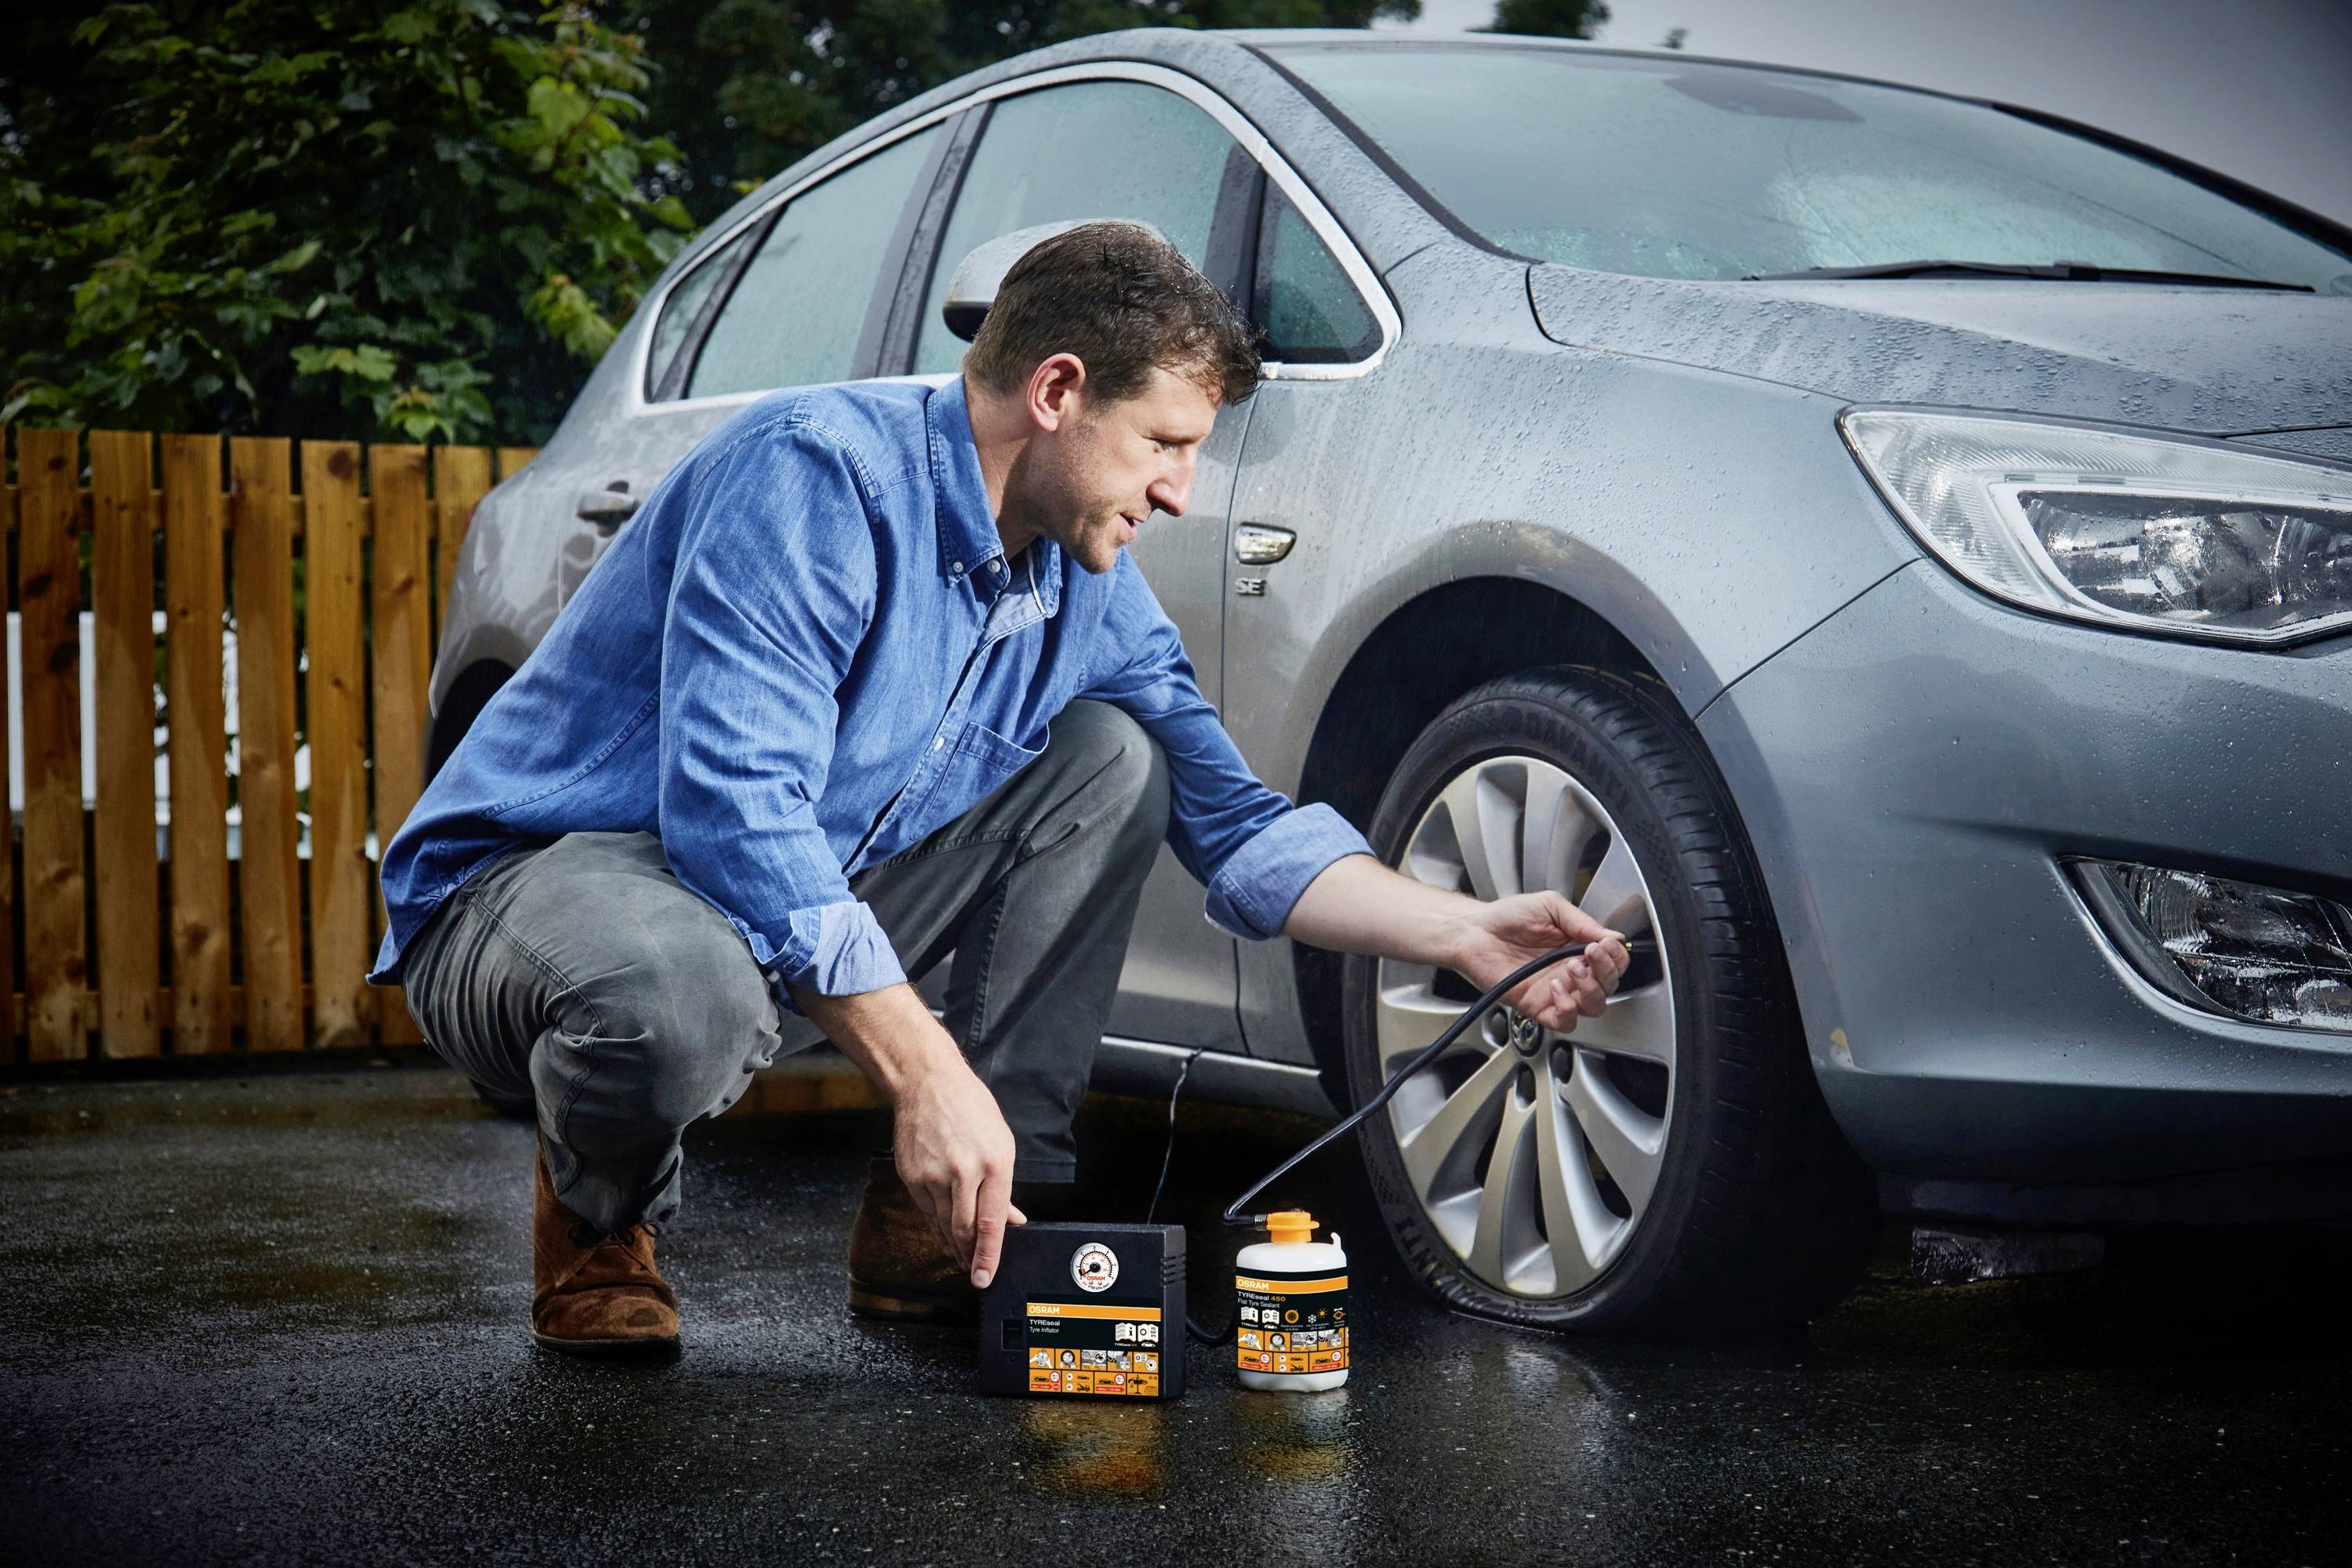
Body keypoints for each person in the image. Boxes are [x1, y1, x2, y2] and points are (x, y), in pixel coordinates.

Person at [368, 222, 1628, 1356]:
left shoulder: (1086, 586)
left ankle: (958, 1217)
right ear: (1059, 392)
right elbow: (733, 818)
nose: (1181, 490)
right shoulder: (814, 479)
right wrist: (925, 1073)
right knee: (668, 989)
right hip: (532, 892)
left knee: (1110, 760)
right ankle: (601, 1217)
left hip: (759, 908)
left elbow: (1235, 827)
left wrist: (1461, 931)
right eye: (1166, 445)